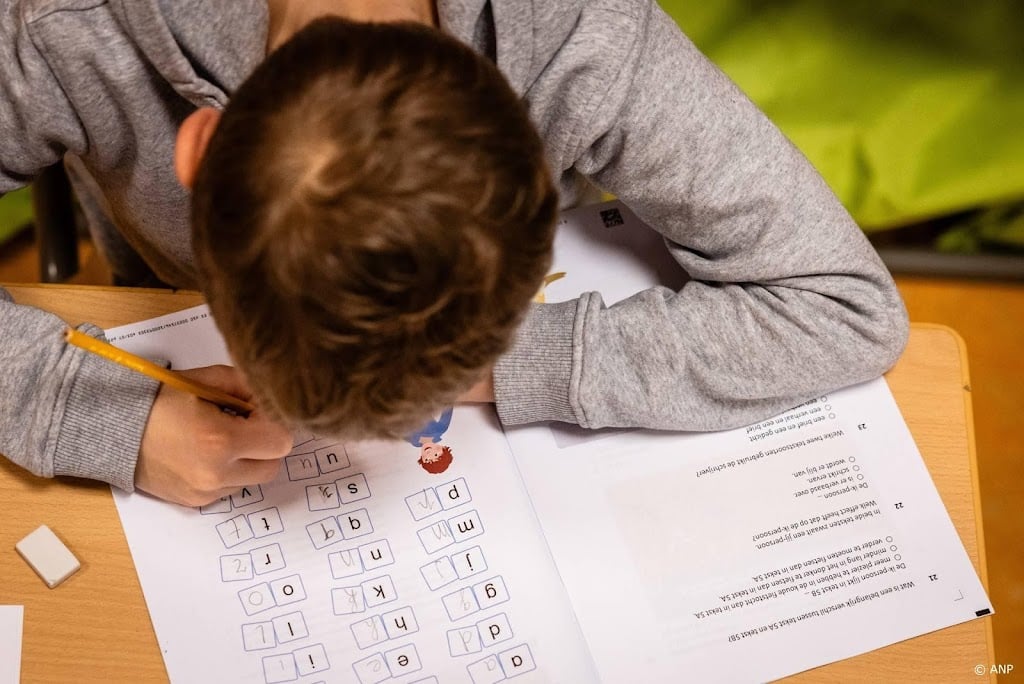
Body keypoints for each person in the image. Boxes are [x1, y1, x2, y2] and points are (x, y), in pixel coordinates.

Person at [0, 0, 909, 507]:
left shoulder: (578, 34)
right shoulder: (61, 25)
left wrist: (503, 366)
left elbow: (844, 304)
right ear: (196, 153)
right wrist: (87, 410)